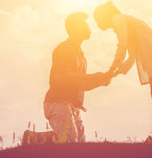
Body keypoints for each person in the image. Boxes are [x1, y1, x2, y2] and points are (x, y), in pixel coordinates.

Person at [93, 1, 152, 143]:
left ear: (104, 16)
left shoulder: (118, 19)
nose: (96, 24)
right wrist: (115, 72)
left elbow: (122, 45)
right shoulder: (124, 20)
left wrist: (112, 68)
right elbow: (131, 55)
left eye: (97, 20)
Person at [44, 12, 112, 143]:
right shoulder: (64, 49)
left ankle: (35, 138)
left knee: (79, 145)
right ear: (76, 28)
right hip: (58, 102)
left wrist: (100, 81)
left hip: (72, 106)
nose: (88, 27)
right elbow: (62, 76)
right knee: (70, 143)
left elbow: (80, 84)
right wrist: (93, 77)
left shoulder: (81, 55)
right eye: (85, 24)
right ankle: (36, 140)